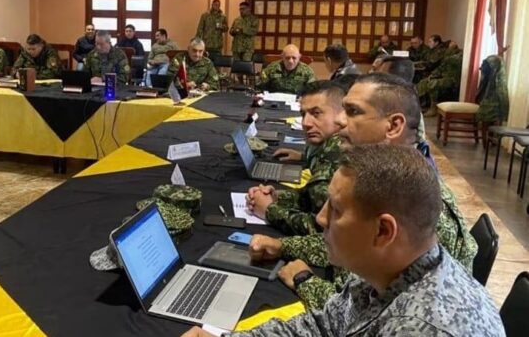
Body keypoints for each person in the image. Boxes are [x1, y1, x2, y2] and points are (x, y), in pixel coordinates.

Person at [182, 145, 503, 337]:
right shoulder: (389, 271)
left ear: (383, 232)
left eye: (335, 209)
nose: (320, 219)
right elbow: (323, 326)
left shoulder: (419, 326)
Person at [242, 74, 477, 311]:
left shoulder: (416, 202)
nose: (341, 121)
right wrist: (283, 246)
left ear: (394, 126)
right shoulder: (386, 178)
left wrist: (304, 280)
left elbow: (366, 314)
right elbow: (348, 238)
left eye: (353, 112)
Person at [246, 81, 344, 235]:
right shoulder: (329, 145)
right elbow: (311, 200)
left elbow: (324, 229)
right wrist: (277, 197)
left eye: (316, 113)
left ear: (341, 115)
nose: (306, 123)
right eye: (303, 114)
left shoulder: (338, 153)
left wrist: (269, 210)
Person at [417, 47, 463, 116]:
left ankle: (433, 108)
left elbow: (454, 60)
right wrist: (432, 75)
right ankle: (419, 104)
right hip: (444, 78)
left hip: (454, 80)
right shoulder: (447, 57)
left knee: (433, 83)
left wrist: (447, 57)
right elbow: (440, 68)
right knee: (424, 81)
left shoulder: (460, 57)